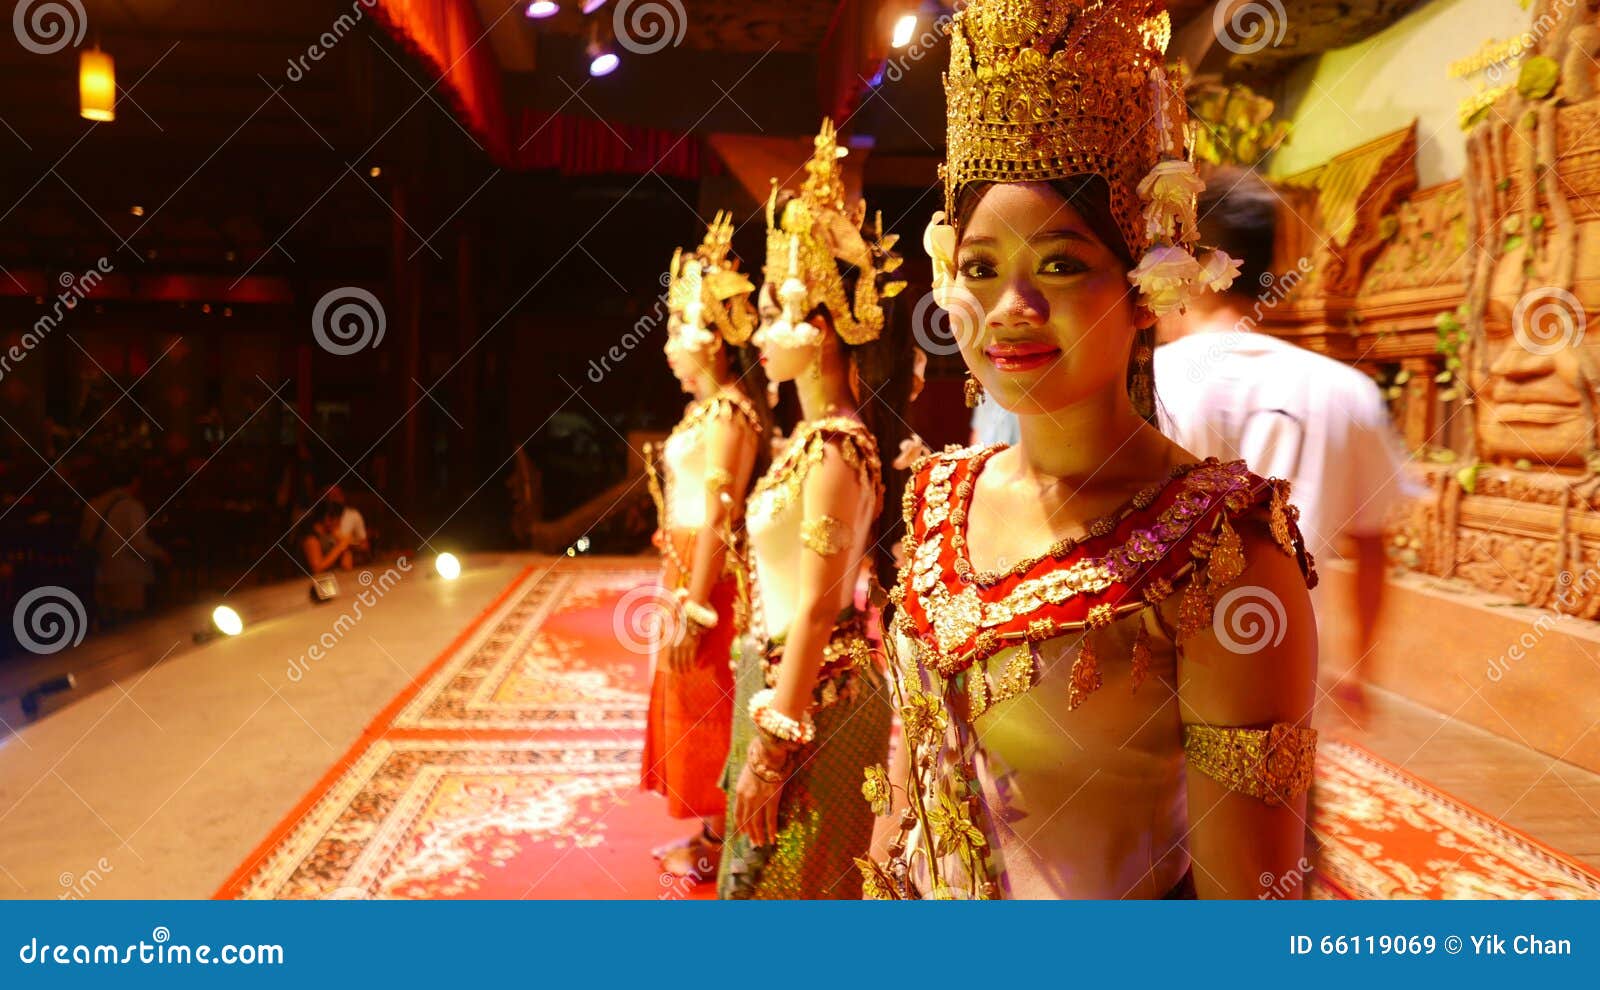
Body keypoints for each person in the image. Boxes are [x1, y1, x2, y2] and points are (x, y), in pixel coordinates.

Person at [863, 0, 1320, 900]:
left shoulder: (1226, 557)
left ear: (1146, 283)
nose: (1010, 309)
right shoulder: (937, 493)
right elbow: (912, 748)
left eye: (1061, 265)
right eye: (982, 267)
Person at [718, 118, 912, 899]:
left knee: (795, 893)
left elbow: (814, 608)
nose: (760, 333)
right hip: (781, 687)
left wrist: (772, 745)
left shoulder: (835, 448)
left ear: (822, 321)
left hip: (813, 702)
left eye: (772, 312)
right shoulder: (810, 441)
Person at [1155, 165, 1414, 725]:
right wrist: (1360, 670)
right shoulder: (1348, 391)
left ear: (1188, 265)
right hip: (1288, 675)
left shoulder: (1144, 383)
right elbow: (1373, 548)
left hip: (1160, 674)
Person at [641, 215, 768, 880]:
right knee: (688, 700)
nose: (669, 347)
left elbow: (722, 514)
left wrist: (697, 606)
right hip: (684, 569)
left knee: (709, 699)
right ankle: (710, 833)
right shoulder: (703, 412)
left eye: (677, 331)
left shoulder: (730, 415)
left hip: (709, 581)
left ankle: (722, 845)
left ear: (714, 340)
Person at [79, 465, 171, 626]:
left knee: (108, 629)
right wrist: (161, 554)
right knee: (130, 628)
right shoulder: (132, 507)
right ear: (135, 482)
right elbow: (138, 543)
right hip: (130, 575)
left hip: (101, 574)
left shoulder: (93, 505)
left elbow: (86, 539)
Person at [301, 498, 352, 574]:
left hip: (332, 579)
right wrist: (340, 547)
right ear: (328, 518)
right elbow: (317, 569)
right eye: (338, 519)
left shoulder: (331, 535)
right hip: (306, 582)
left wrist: (345, 548)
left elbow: (347, 567)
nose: (339, 523)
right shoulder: (311, 537)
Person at [325, 484, 372, 564]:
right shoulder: (322, 517)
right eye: (329, 496)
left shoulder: (353, 515)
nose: (332, 499)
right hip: (327, 558)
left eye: (335, 496)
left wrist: (347, 545)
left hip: (348, 555)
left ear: (342, 497)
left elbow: (364, 545)